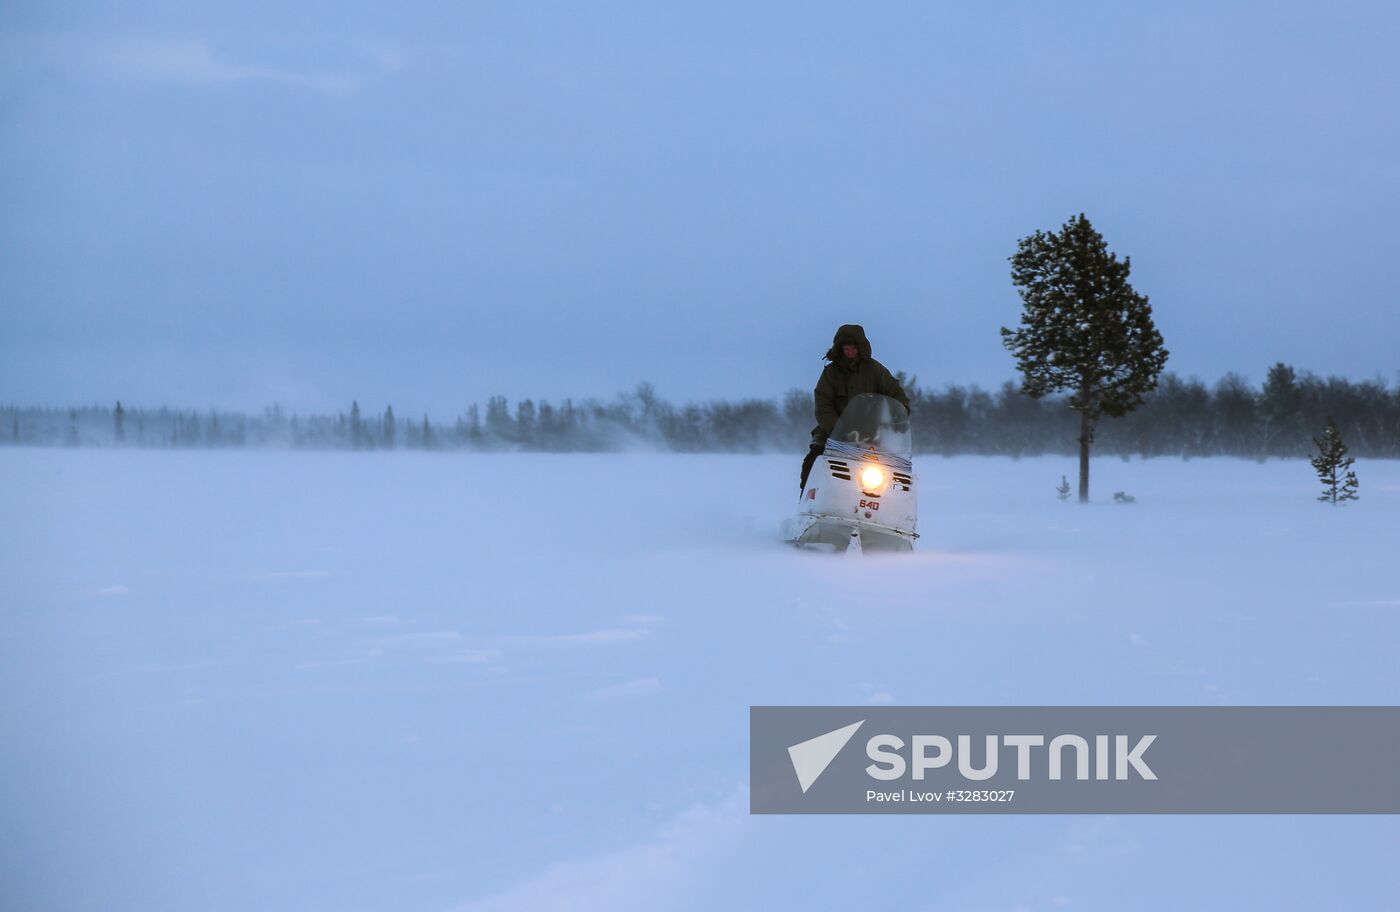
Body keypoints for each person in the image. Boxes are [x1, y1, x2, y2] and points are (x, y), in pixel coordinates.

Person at [799, 324, 911, 491]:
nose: (850, 352)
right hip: (833, 432)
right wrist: (838, 429)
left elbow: (896, 393)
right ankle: (807, 502)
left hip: (870, 435)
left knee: (893, 472)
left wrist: (899, 414)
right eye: (846, 349)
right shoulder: (831, 373)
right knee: (813, 461)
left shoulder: (876, 370)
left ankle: (888, 508)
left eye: (853, 348)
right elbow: (823, 405)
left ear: (861, 348)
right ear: (840, 349)